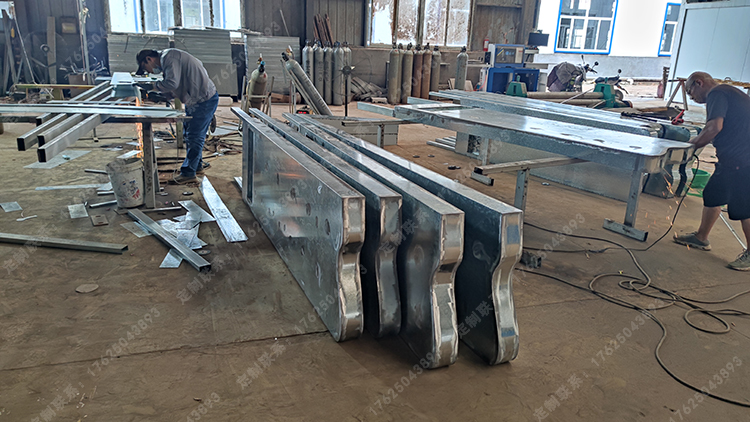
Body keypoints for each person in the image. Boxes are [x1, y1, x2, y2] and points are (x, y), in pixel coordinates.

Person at [674, 71, 750, 271]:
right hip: (731, 159)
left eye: (690, 93)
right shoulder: (730, 93)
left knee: (743, 206)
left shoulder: (717, 93)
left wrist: (690, 147)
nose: (692, 98)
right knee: (713, 194)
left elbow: (714, 127)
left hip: (743, 161)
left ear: (699, 83)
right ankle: (701, 237)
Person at [136, 49, 219, 184]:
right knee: (189, 133)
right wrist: (162, 95)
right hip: (195, 99)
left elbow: (172, 83)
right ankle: (197, 165)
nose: (149, 72)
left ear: (149, 59)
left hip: (203, 100)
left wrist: (152, 86)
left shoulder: (169, 57)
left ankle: (188, 173)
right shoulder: (168, 59)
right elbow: (177, 84)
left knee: (195, 135)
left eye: (146, 68)